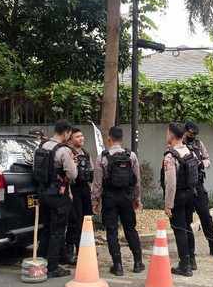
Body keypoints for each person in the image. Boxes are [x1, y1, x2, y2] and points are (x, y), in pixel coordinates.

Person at [91, 126, 144, 276]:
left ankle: (118, 266)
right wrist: (136, 199)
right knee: (130, 228)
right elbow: (137, 181)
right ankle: (138, 263)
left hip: (109, 198)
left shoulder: (102, 157)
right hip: (126, 197)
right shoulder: (131, 156)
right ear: (122, 139)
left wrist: (95, 202)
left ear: (109, 139)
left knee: (111, 231)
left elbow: (98, 184)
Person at [36, 119, 78, 278]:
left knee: (46, 228)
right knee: (58, 231)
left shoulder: (42, 145)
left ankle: (40, 259)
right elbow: (73, 174)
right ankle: (53, 267)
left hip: (43, 192)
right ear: (66, 132)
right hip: (58, 196)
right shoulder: (63, 151)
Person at [183, 122, 213, 262]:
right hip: (184, 187)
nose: (192, 137)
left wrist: (202, 164)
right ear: (185, 131)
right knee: (186, 219)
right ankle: (190, 253)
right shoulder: (178, 144)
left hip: (198, 184)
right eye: (189, 134)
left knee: (206, 216)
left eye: (194, 135)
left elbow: (208, 160)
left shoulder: (199, 144)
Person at [162, 122, 197, 277]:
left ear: (171, 135)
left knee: (179, 230)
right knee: (187, 226)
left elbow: (170, 184)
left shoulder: (170, 157)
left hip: (178, 196)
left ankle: (185, 265)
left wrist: (168, 205)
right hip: (191, 194)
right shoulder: (191, 152)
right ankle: (192, 260)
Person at [65, 127, 94, 264]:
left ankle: (85, 248)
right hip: (73, 189)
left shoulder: (86, 153)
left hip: (85, 190)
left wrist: (92, 190)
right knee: (74, 221)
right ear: (71, 140)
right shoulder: (68, 153)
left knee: (86, 219)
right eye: (77, 137)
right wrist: (69, 191)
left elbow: (91, 172)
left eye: (82, 136)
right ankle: (70, 249)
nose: (81, 138)